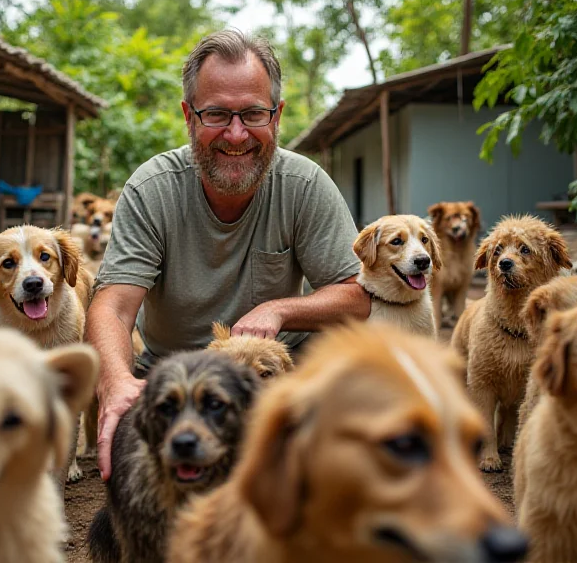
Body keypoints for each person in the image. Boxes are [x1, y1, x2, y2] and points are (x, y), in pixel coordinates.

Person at [85, 29, 371, 481]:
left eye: (253, 113)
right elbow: (113, 308)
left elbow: (358, 295)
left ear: (276, 116)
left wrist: (280, 309)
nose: (236, 135)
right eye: (217, 114)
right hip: (177, 376)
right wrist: (117, 383)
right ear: (189, 116)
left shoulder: (306, 185)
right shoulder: (151, 189)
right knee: (139, 483)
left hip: (277, 372)